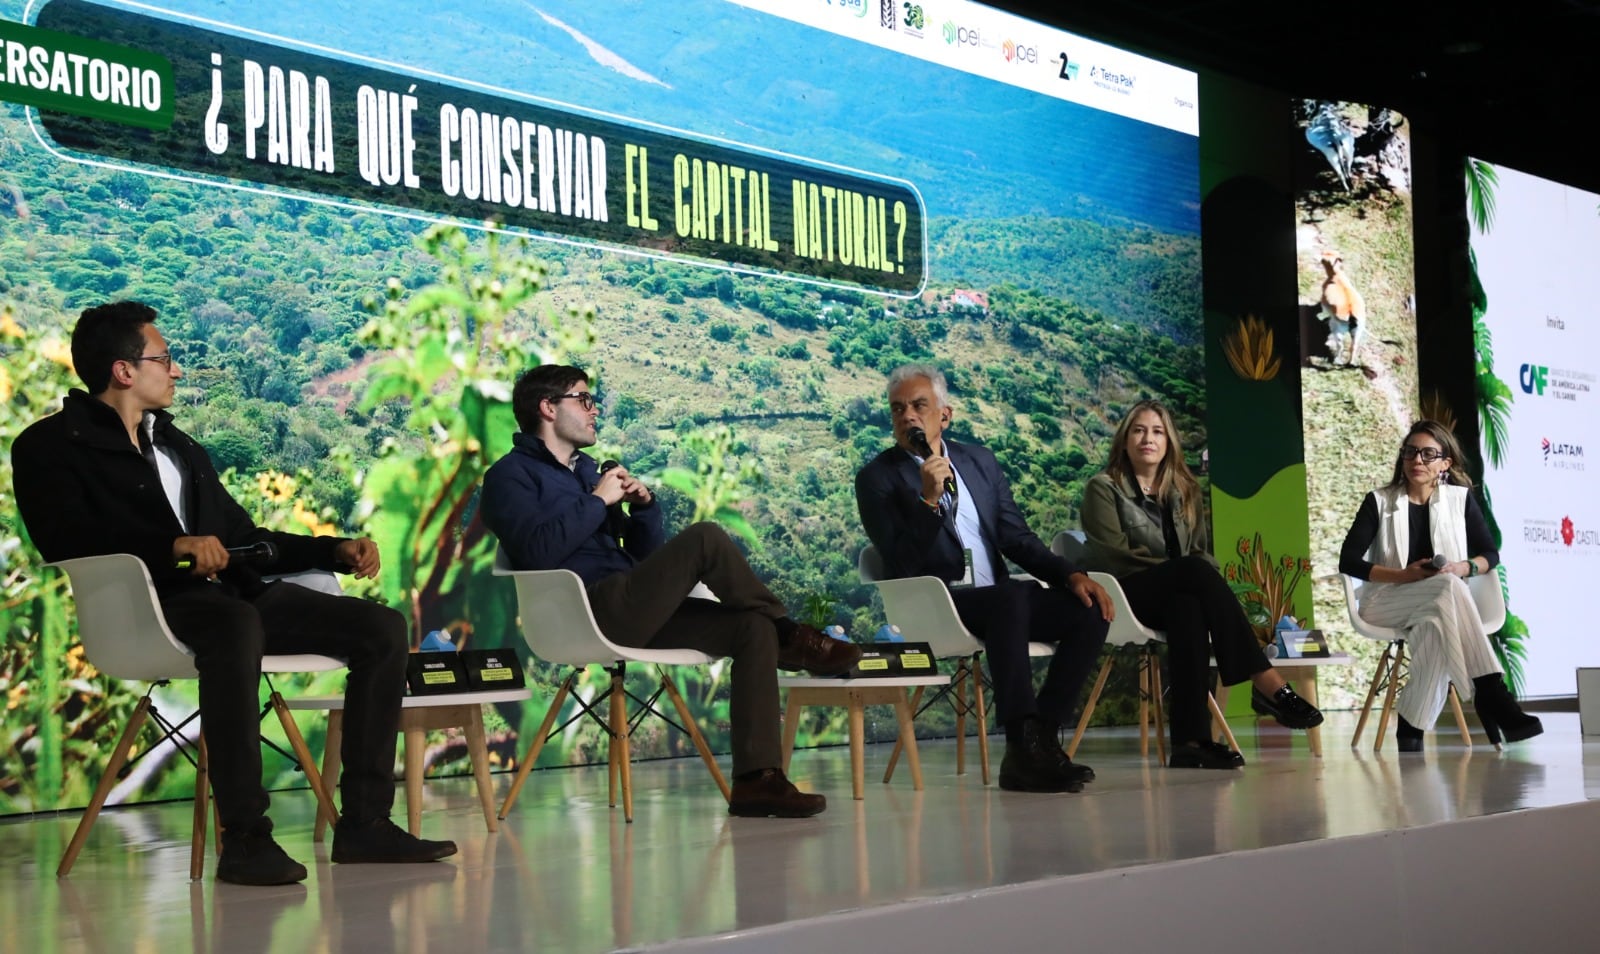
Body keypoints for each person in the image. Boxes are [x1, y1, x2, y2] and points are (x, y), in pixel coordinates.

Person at [10, 301, 456, 886]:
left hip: (233, 599)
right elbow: (64, 537)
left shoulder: (182, 449)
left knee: (381, 628)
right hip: (151, 607)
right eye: (164, 359)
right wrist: (173, 546)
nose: (175, 371)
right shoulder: (47, 445)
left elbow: (248, 540)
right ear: (124, 370)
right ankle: (245, 838)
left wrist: (331, 550)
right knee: (234, 623)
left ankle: (366, 824)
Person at [480, 364, 861, 818]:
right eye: (583, 399)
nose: (594, 408)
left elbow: (643, 558)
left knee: (751, 627)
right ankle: (794, 636)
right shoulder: (509, 476)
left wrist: (643, 509)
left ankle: (758, 782)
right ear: (547, 408)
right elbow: (536, 552)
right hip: (588, 609)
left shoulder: (585, 472)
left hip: (631, 602)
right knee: (705, 537)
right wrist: (599, 500)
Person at [855, 364, 1112, 794]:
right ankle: (1019, 749)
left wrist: (1070, 575)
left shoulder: (980, 461)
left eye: (919, 405)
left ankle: (1041, 739)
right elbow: (901, 562)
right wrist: (927, 501)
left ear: (944, 414)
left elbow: (1016, 537)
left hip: (1000, 601)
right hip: (939, 603)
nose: (907, 417)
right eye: (897, 409)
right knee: (1009, 597)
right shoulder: (876, 478)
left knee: (1089, 610)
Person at [1079, 400, 1323, 769]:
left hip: (1174, 594)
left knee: (1188, 607)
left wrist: (1187, 573)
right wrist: (1181, 571)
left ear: (1169, 442)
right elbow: (1114, 556)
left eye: (1158, 431)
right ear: (1125, 440)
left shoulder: (1184, 490)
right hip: (1125, 593)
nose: (1148, 438)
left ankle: (1191, 742)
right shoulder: (1103, 488)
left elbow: (1199, 552)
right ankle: (1263, 677)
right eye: (1139, 430)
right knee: (1191, 573)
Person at [1339, 420, 1541, 752]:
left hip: (1440, 603)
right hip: (1384, 603)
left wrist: (1464, 566)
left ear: (1445, 463)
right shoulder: (1379, 501)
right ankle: (1490, 692)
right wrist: (1403, 575)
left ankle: (1410, 731)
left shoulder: (1460, 501)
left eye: (1428, 454)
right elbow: (1349, 561)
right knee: (1447, 587)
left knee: (1434, 628)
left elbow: (1490, 554)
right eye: (1411, 452)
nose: (1417, 460)